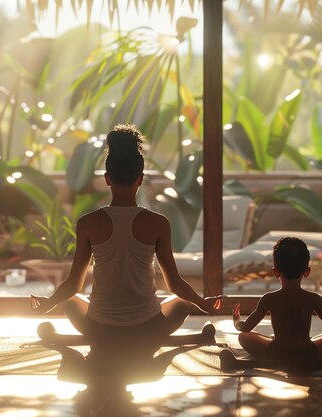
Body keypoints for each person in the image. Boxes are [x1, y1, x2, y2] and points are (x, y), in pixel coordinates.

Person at [30, 123, 222, 356]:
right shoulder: (158, 222)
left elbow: (74, 284)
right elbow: (175, 284)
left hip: (98, 327)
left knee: (69, 300)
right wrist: (204, 303)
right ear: (140, 179)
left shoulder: (88, 223)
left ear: (107, 179)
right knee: (182, 303)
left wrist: (47, 304)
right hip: (148, 327)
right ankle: (150, 337)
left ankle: (106, 338)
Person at [231, 236, 322, 365]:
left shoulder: (269, 299)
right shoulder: (313, 299)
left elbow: (245, 327)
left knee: (244, 337)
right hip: (307, 354)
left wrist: (237, 321)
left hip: (276, 353)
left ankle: (277, 350)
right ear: (307, 272)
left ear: (276, 272)